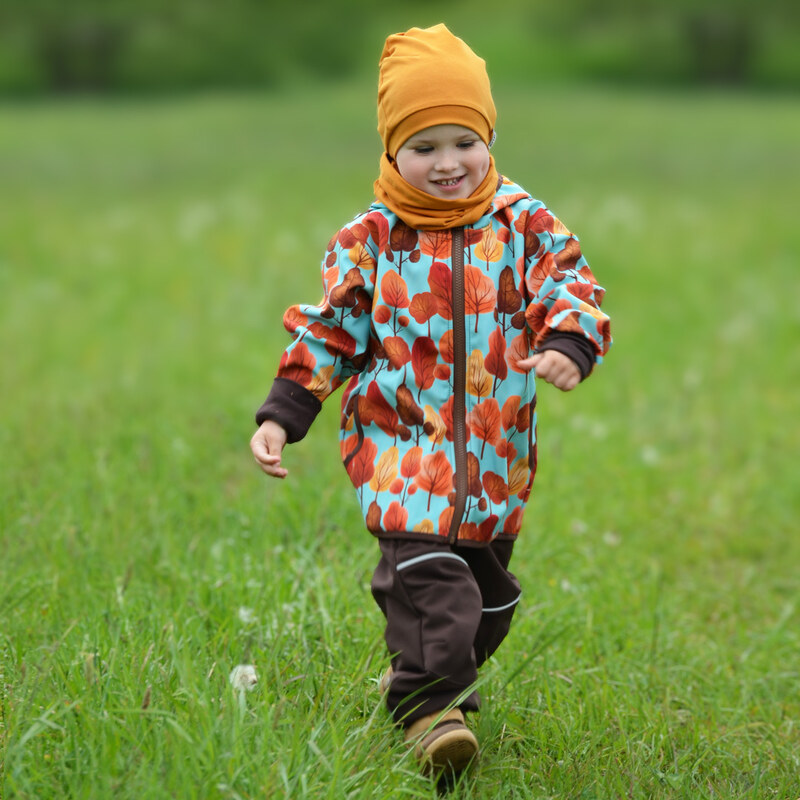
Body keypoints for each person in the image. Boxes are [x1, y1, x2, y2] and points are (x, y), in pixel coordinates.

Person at [250, 23, 611, 776]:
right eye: (423, 148)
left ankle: (418, 674)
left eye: (463, 142)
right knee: (433, 588)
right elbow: (332, 328)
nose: (447, 164)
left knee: (488, 602)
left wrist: (570, 342)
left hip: (494, 457)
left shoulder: (522, 222)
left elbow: (570, 284)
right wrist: (286, 411)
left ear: (488, 136)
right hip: (400, 453)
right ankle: (429, 715)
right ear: (390, 152)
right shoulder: (371, 239)